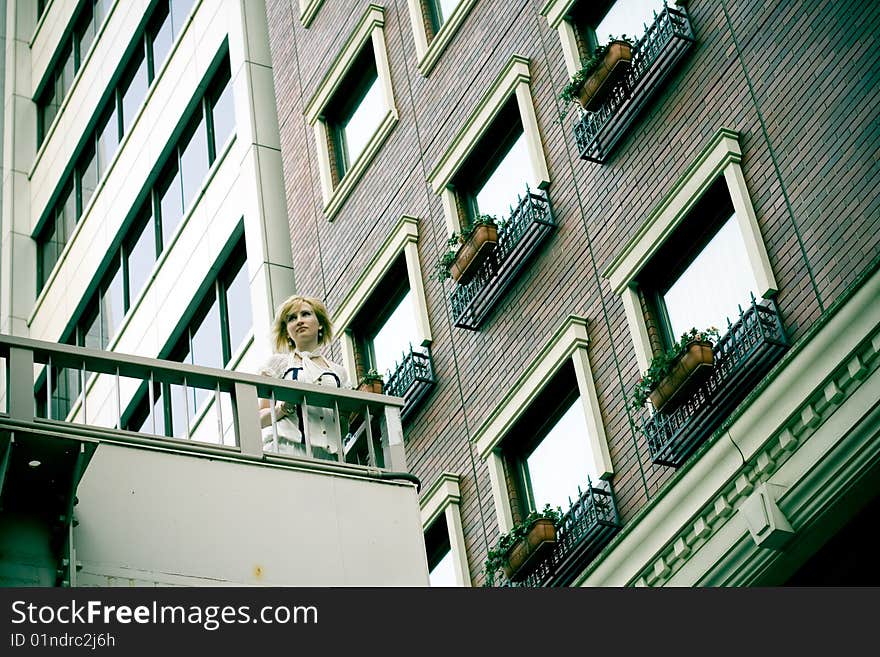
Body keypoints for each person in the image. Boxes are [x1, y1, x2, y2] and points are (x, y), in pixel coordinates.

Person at [257, 294, 350, 459]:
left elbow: (342, 428)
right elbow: (257, 418)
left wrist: (343, 416)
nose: (299, 320)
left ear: (320, 324)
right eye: (292, 318)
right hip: (286, 447)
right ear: (287, 332)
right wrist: (282, 409)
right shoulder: (278, 364)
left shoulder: (338, 372)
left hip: (328, 455)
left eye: (306, 314)